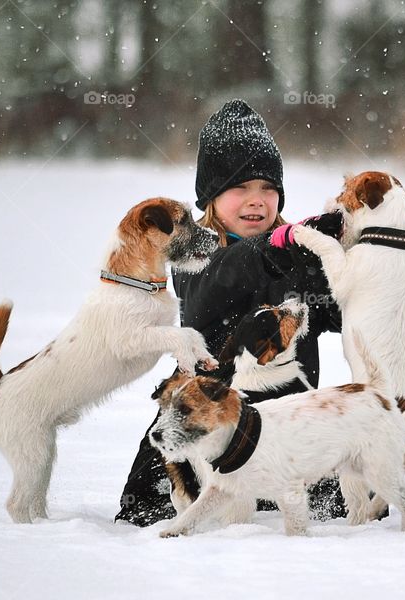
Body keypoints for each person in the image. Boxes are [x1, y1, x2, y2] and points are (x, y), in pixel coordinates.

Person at [115, 99, 346, 526]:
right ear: (212, 196)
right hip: (210, 420)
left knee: (362, 497)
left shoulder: (299, 251)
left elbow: (339, 311)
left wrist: (359, 249)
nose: (257, 201)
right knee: (146, 512)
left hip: (287, 425)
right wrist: (274, 249)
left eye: (267, 188)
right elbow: (212, 286)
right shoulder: (196, 253)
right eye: (240, 188)